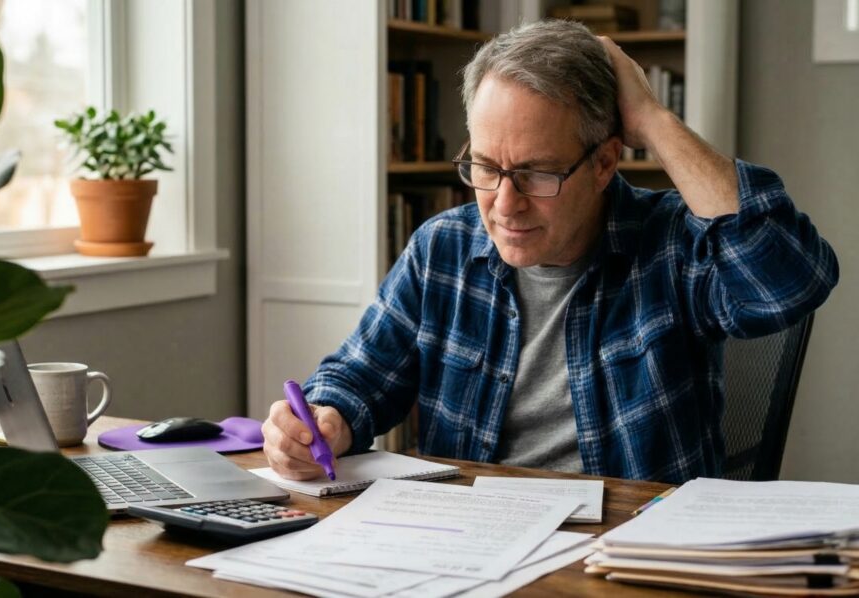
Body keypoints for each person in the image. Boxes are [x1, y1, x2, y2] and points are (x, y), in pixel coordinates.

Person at [261, 20, 839, 484]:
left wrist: (655, 121)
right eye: (485, 167)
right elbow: (360, 375)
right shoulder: (442, 248)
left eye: (537, 174)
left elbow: (788, 280)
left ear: (606, 162)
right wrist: (325, 420)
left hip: (626, 553)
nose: (504, 205)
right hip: (466, 544)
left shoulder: (671, 245)